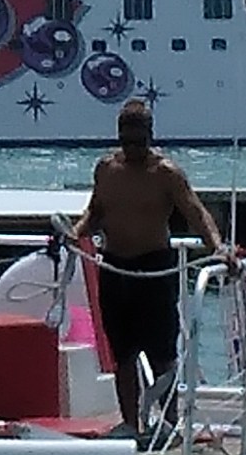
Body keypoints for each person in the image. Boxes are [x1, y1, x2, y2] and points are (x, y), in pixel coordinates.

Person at [64, 97, 221, 430]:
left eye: (139, 141)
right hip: (115, 269)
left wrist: (218, 247)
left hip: (154, 269)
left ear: (150, 135)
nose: (133, 148)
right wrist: (75, 232)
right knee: (123, 355)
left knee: (162, 353)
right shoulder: (107, 169)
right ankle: (131, 425)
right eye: (126, 141)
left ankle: (169, 424)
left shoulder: (166, 173)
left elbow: (195, 212)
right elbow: (96, 212)